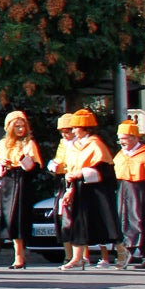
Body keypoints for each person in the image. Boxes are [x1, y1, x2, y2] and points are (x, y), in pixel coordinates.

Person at [51, 109, 117, 270]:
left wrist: (80, 174)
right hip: (79, 188)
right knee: (77, 222)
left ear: (85, 128)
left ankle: (121, 251)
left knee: (102, 222)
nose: (73, 131)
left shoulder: (95, 144)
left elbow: (103, 170)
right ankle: (77, 258)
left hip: (95, 191)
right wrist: (71, 186)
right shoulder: (75, 146)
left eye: (75, 128)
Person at [0, 111, 43, 269]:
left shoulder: (29, 144)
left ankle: (20, 256)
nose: (20, 129)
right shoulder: (2, 144)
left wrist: (25, 162)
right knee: (9, 219)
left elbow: (35, 168)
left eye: (23, 126)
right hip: (8, 183)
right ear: (10, 127)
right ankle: (17, 254)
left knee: (20, 218)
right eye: (17, 126)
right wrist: (2, 165)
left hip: (23, 183)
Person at [112, 120, 145, 269]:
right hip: (124, 190)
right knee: (124, 220)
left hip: (141, 190)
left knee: (140, 221)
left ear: (135, 137)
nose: (121, 142)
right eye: (119, 138)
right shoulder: (121, 154)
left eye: (124, 138)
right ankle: (133, 252)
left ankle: (141, 254)